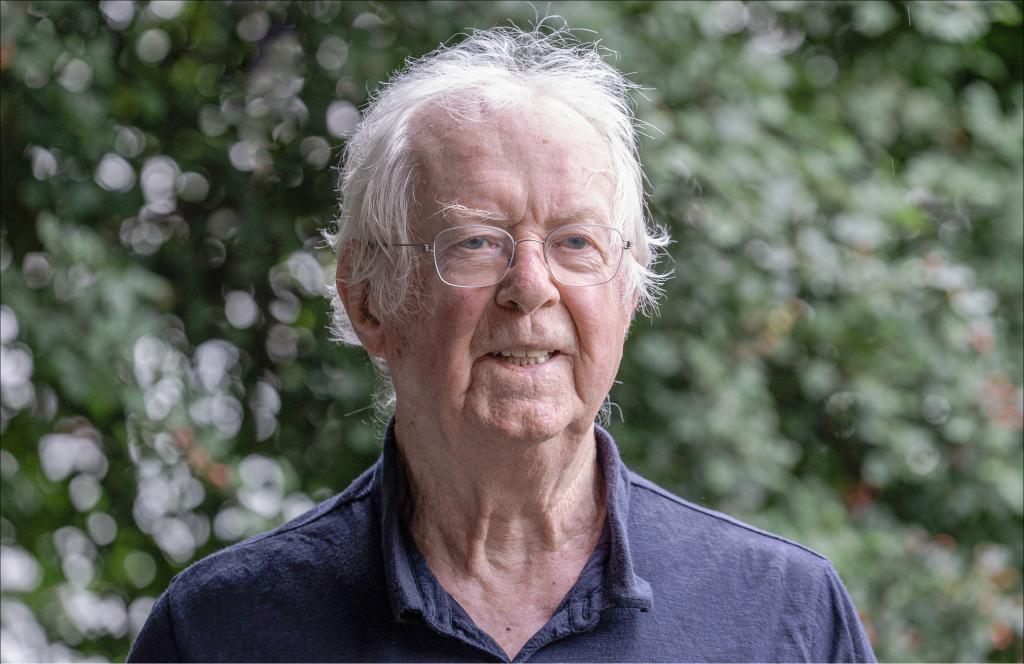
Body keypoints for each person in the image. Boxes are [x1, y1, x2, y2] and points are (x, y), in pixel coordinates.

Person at [129, 27, 876, 663]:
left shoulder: (784, 619)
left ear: (628, 291)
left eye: (576, 243)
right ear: (368, 300)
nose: (531, 286)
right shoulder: (221, 633)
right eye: (478, 243)